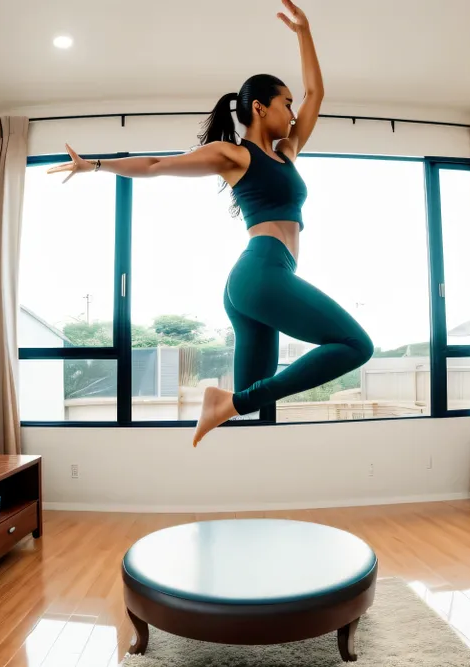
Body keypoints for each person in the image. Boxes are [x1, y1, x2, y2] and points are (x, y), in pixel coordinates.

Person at [47, 0, 374, 446]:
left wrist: (304, 32)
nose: (294, 113)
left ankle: (230, 411)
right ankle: (227, 404)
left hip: (256, 283)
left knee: (252, 400)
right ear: (259, 108)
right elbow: (159, 163)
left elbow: (317, 94)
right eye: (286, 103)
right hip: (262, 273)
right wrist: (96, 164)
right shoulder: (237, 155)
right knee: (357, 346)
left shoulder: (287, 152)